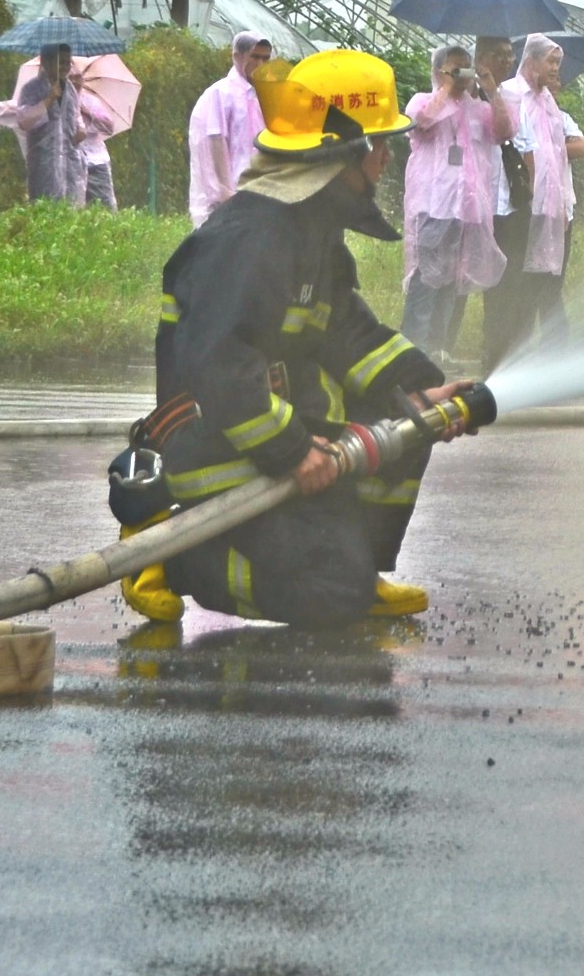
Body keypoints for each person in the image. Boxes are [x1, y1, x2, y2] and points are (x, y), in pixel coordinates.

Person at [122, 49, 487, 626]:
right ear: (342, 153)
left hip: (270, 436)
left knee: (408, 422)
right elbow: (216, 366)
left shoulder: (311, 232)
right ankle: (176, 551)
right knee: (328, 593)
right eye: (378, 146)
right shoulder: (250, 239)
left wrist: (418, 392)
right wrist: (289, 450)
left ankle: (356, 564)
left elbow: (347, 333)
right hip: (217, 448)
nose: (387, 160)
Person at [484, 33, 584, 373]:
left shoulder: (549, 103)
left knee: (537, 282)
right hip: (515, 207)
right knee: (509, 284)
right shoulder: (512, 95)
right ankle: (500, 360)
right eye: (552, 62)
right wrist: (528, 200)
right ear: (532, 60)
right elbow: (520, 151)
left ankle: (524, 359)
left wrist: (561, 206)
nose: (556, 69)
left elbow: (557, 157)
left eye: (558, 62)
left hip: (547, 210)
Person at [399, 41, 506, 361]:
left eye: (466, 68)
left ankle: (439, 349)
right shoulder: (423, 101)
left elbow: (504, 131)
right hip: (435, 205)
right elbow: (421, 123)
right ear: (439, 70)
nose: (463, 76)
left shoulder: (479, 109)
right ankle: (413, 352)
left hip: (467, 209)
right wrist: (445, 87)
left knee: (452, 279)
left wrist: (491, 89)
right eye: (456, 68)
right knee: (426, 278)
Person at [0, 41, 110, 203]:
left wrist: (80, 130)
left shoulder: (70, 90)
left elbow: (76, 120)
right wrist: (48, 99)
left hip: (71, 166)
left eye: (68, 62)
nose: (65, 67)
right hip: (44, 163)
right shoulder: (32, 89)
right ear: (46, 62)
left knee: (71, 212)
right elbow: (23, 120)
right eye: (60, 62)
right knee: (45, 207)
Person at [185, 32, 273, 224]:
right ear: (238, 56)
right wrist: (224, 188)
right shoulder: (222, 93)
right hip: (233, 185)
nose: (260, 64)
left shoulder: (265, 93)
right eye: (255, 57)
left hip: (259, 183)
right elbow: (215, 140)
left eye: (266, 58)